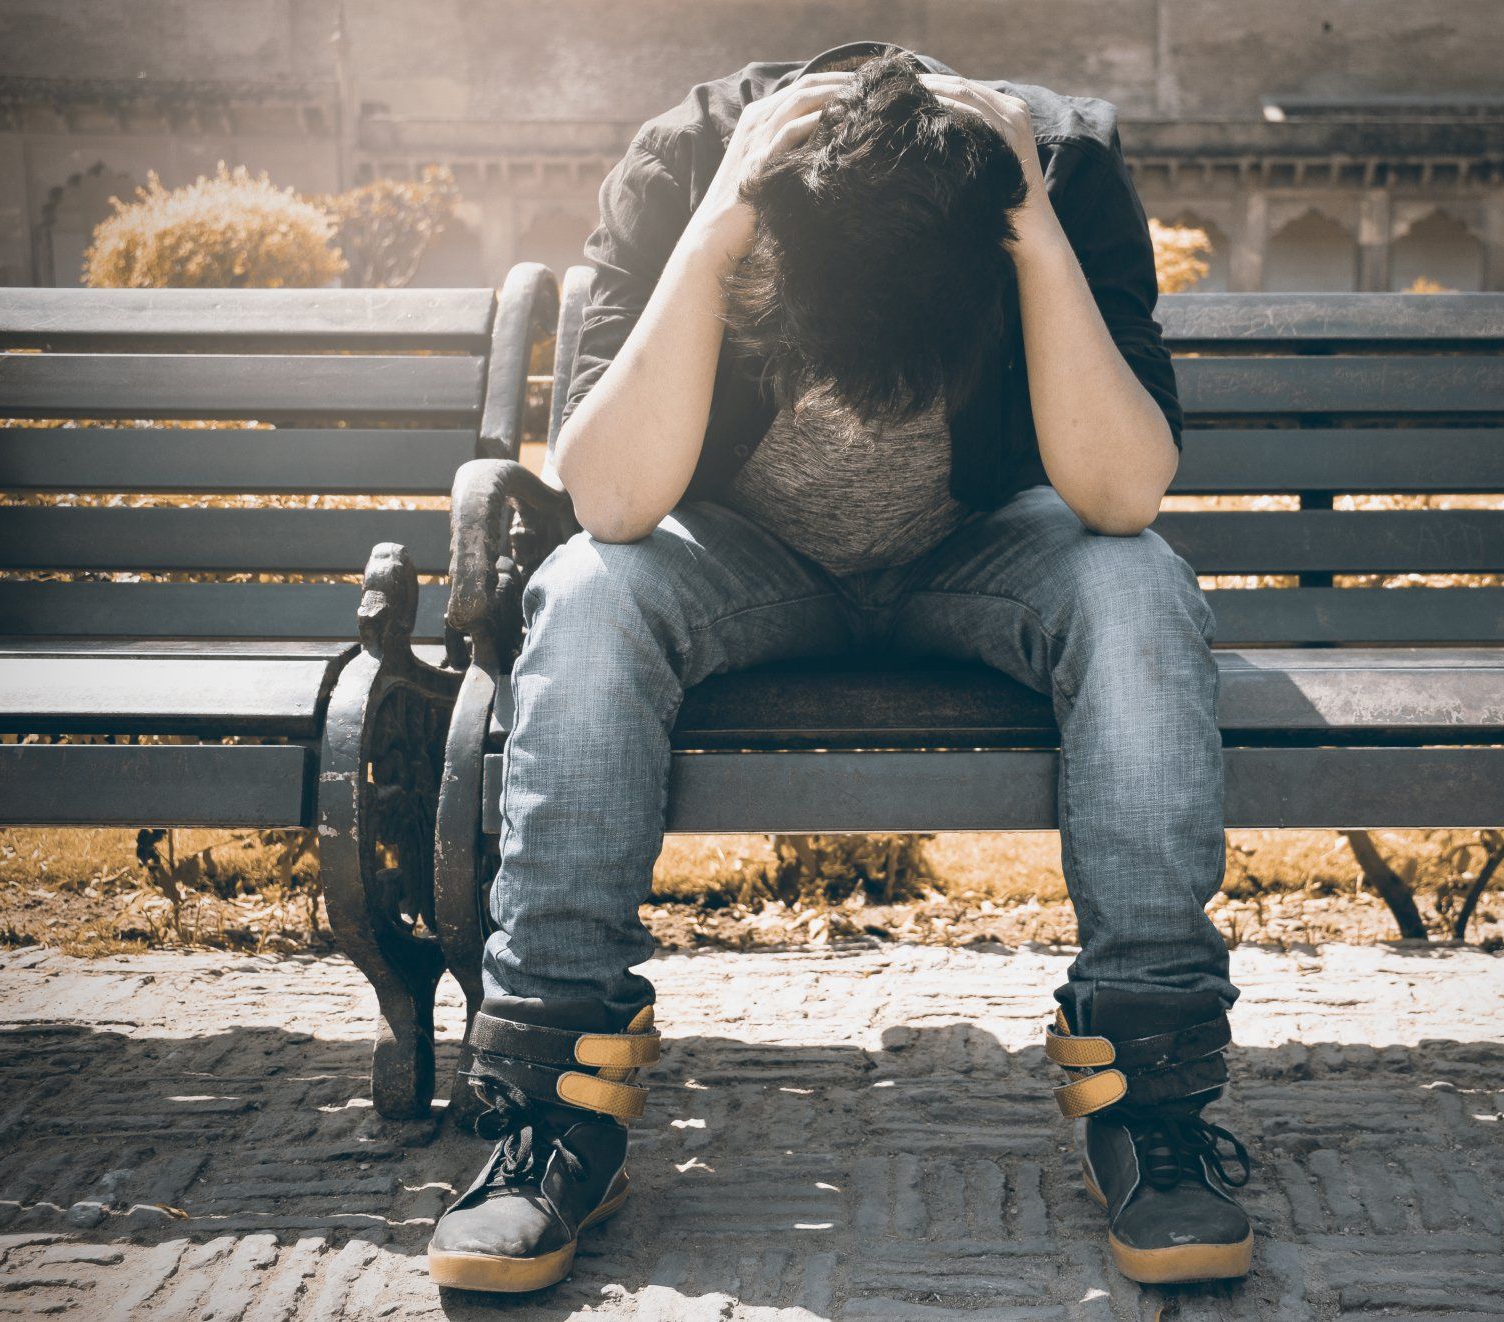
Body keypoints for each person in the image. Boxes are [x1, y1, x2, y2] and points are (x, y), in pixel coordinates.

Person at [426, 39, 1251, 1295]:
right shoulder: (685, 165)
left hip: (982, 549)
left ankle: (1153, 1097)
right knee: (588, 594)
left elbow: (1122, 491)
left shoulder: (1062, 171)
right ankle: (548, 1110)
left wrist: (1030, 235)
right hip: (742, 557)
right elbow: (609, 495)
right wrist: (713, 236)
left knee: (1136, 587)